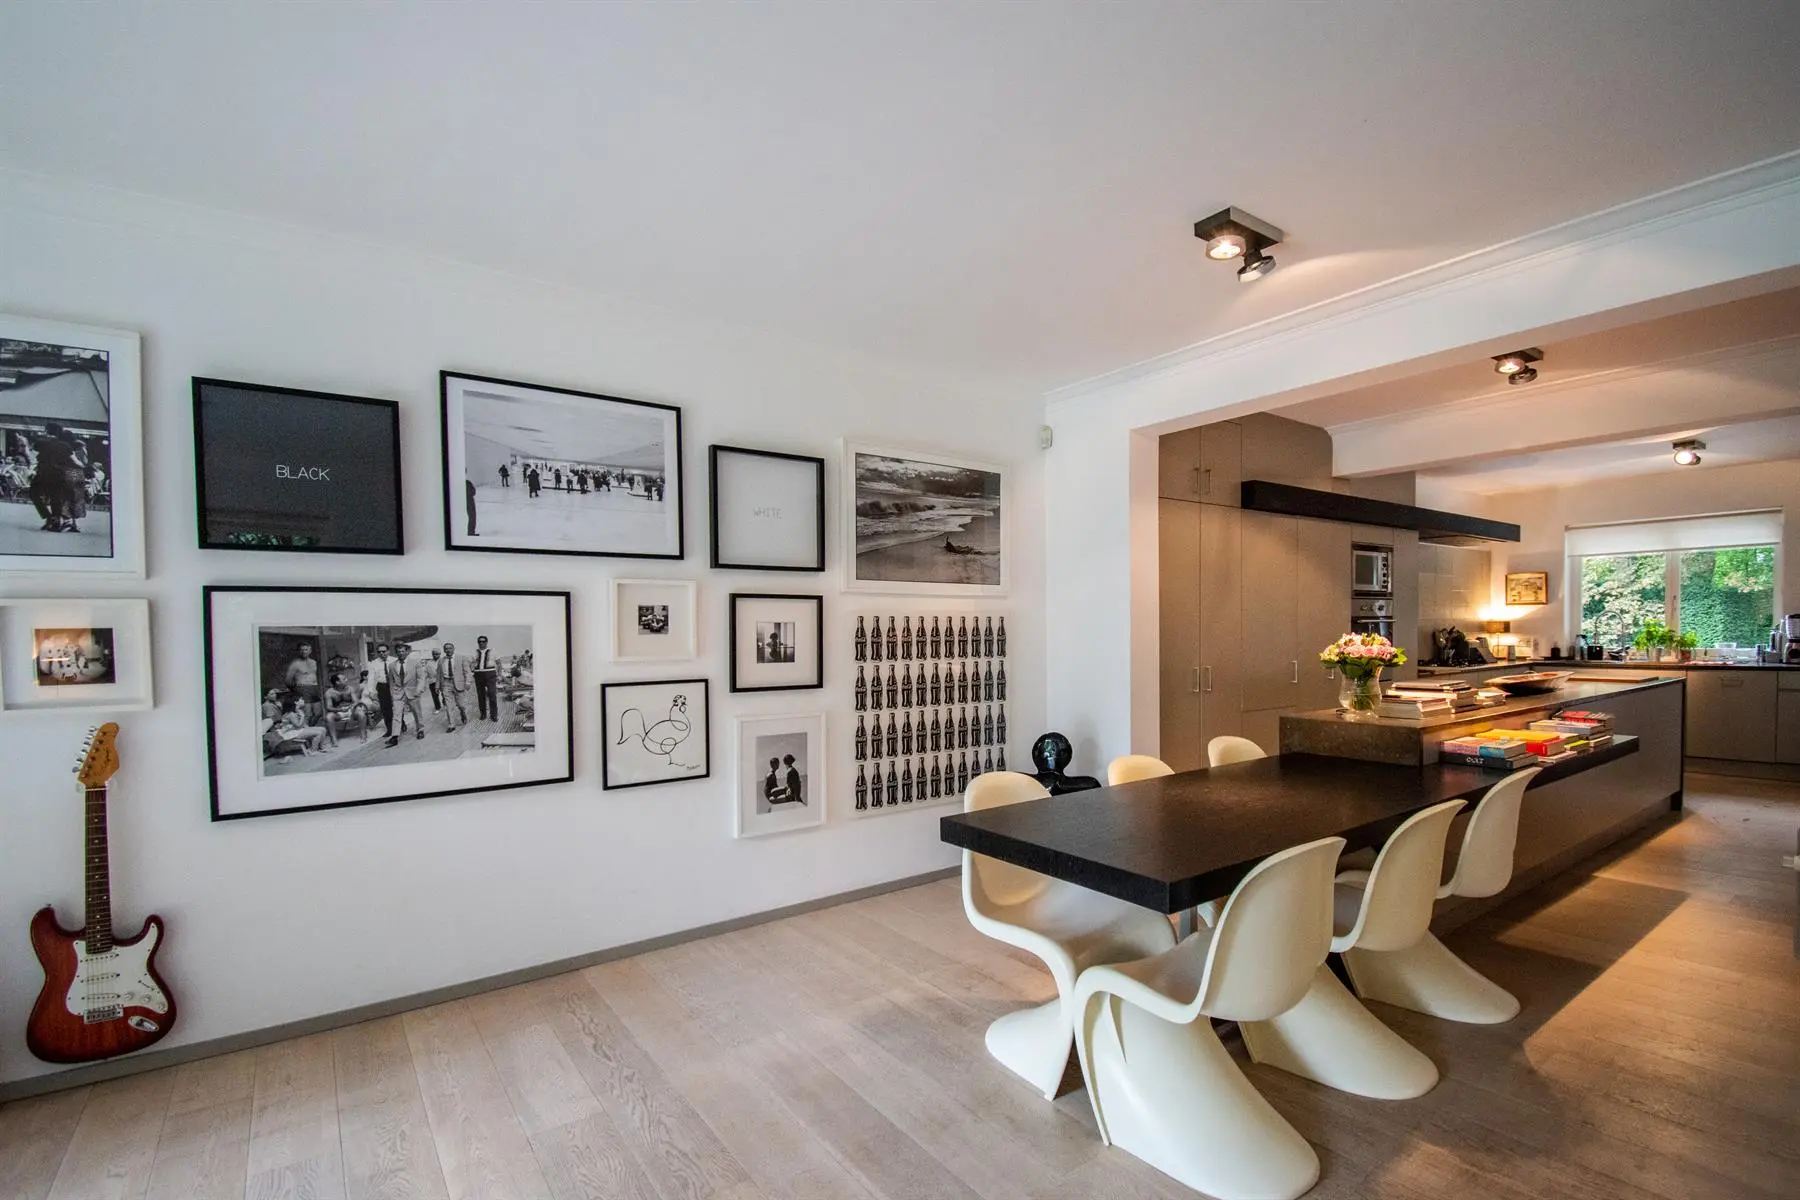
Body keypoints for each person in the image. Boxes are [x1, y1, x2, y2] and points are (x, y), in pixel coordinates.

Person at [29, 422, 89, 533]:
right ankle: (57, 522)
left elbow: (31, 455)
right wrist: (84, 467)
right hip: (58, 474)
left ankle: (48, 517)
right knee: (55, 497)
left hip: (42, 472)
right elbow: (76, 461)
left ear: (46, 431)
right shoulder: (65, 445)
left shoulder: (40, 443)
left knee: (34, 494)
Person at [322, 673, 368, 743]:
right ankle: (334, 739)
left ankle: (363, 736)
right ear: (337, 682)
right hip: (338, 713)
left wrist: (352, 707)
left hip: (351, 710)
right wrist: (340, 709)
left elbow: (356, 701)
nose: (346, 680)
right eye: (344, 679)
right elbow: (328, 707)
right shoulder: (329, 693)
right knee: (329, 717)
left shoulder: (349, 688)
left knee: (361, 713)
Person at [396, 643, 429, 741]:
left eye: (403, 651)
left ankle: (420, 730)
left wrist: (419, 689)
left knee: (416, 712)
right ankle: (398, 730)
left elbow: (421, 677)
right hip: (399, 692)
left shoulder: (415, 663)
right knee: (397, 712)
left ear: (407, 652)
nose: (401, 653)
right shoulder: (394, 664)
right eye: (399, 651)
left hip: (412, 691)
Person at [283, 642, 322, 721]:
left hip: (314, 689)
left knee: (318, 713)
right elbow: (287, 680)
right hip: (303, 689)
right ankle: (306, 728)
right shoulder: (295, 664)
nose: (304, 652)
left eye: (306, 649)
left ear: (310, 651)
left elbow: (315, 676)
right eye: (301, 650)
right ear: (298, 651)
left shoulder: (314, 662)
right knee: (307, 715)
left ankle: (310, 727)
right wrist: (297, 689)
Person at [438, 641, 470, 732]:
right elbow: (438, 674)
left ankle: (462, 712)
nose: (448, 650)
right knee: (448, 705)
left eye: (450, 648)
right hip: (446, 683)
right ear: (444, 650)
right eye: (446, 649)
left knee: (461, 704)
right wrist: (437, 686)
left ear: (453, 649)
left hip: (458, 683)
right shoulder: (441, 660)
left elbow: (467, 671)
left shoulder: (461, 658)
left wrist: (468, 682)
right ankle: (451, 725)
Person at [372, 641, 400, 744]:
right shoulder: (373, 663)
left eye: (384, 651)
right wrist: (372, 691)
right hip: (382, 687)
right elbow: (371, 678)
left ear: (388, 651)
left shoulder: (395, 660)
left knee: (397, 706)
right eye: (379, 652)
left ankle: (401, 724)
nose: (381, 653)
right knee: (385, 709)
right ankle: (389, 729)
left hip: (395, 686)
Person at [471, 634, 500, 722]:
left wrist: (500, 675)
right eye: (479, 642)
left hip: (490, 674)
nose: (481, 643)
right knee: (481, 695)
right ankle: (483, 714)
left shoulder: (493, 651)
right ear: (478, 643)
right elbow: (470, 663)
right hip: (478, 675)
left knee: (492, 694)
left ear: (486, 642)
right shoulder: (474, 652)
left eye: (483, 641)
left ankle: (494, 715)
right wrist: (472, 672)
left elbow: (499, 664)